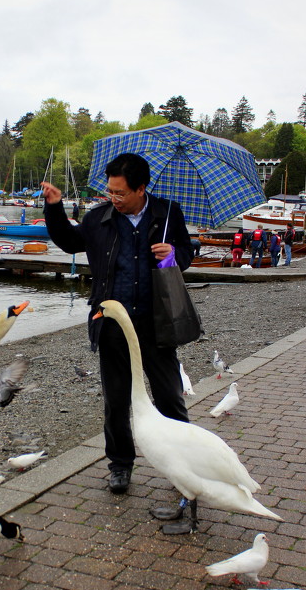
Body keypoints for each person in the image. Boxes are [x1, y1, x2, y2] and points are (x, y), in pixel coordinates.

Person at [42, 152, 195, 535]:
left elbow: (187, 254)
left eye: (121, 192)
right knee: (116, 399)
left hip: (157, 323)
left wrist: (174, 254)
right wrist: (55, 207)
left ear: (142, 188)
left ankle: (182, 468)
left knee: (169, 397)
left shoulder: (167, 213)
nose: (113, 197)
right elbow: (68, 242)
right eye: (109, 190)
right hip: (112, 323)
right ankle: (120, 466)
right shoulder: (99, 217)